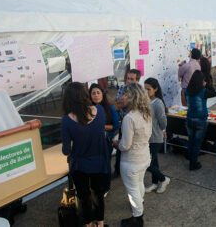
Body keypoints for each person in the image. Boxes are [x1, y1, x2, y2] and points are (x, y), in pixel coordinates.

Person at [61, 82, 111, 227]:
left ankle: (89, 223)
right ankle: (100, 223)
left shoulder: (66, 120)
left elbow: (66, 151)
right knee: (98, 194)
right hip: (99, 161)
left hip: (80, 164)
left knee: (84, 197)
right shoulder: (100, 110)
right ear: (85, 95)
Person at [112, 83, 152, 227]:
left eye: (125, 94)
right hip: (144, 157)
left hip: (132, 161)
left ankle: (137, 218)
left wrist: (116, 144)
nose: (122, 97)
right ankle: (139, 210)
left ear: (132, 97)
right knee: (139, 184)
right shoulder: (146, 113)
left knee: (133, 190)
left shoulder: (130, 118)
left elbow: (125, 145)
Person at [185, 70, 216, 170]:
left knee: (191, 140)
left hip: (189, 118)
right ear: (201, 81)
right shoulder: (203, 91)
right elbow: (214, 93)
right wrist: (207, 84)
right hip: (200, 120)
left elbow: (187, 100)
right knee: (197, 143)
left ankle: (191, 158)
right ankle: (193, 163)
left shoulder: (187, 90)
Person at [144, 78, 170, 193]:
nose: (146, 91)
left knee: (147, 163)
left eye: (148, 89)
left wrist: (162, 130)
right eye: (144, 89)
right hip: (147, 137)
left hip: (155, 138)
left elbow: (163, 122)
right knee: (154, 162)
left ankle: (164, 179)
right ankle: (155, 183)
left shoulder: (158, 103)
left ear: (155, 89)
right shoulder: (146, 101)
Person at [114, 69, 141, 178]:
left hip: (136, 126)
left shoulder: (140, 91)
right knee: (121, 147)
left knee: (133, 149)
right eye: (127, 78)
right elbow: (119, 104)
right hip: (124, 124)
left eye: (131, 79)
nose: (128, 81)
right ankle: (118, 171)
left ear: (138, 80)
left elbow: (139, 108)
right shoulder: (122, 88)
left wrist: (126, 102)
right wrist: (129, 102)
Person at [89, 83, 120, 158]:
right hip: (92, 143)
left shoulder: (110, 108)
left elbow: (116, 125)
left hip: (107, 141)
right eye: (93, 93)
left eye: (98, 93)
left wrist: (102, 127)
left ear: (102, 94)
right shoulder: (88, 109)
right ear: (90, 96)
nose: (96, 95)